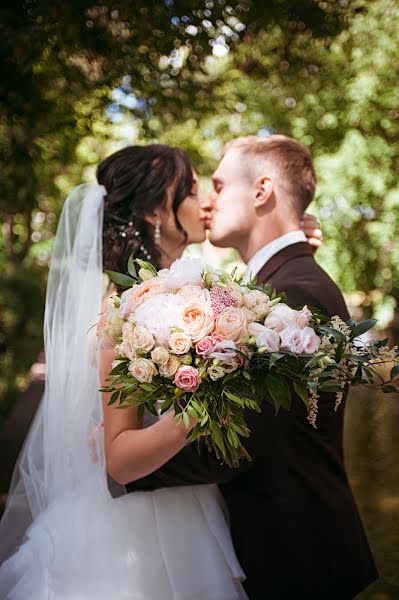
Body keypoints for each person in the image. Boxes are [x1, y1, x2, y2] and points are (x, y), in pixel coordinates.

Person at [0, 143, 321, 600]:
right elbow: (120, 457)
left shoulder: (193, 290)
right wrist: (204, 401)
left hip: (194, 507)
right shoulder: (119, 310)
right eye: (191, 191)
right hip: (138, 530)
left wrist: (292, 241)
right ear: (156, 211)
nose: (206, 201)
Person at [126, 136, 379, 600]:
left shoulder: (298, 292)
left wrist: (122, 463)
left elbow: (239, 445)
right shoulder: (280, 284)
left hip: (293, 558)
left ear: (262, 191)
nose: (208, 203)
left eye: (219, 187)